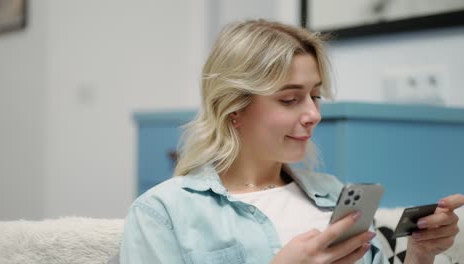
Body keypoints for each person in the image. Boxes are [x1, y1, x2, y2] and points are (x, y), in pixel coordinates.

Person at [120, 19, 463, 264]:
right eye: (289, 99)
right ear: (232, 109)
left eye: (315, 96)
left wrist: (421, 254)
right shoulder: (162, 213)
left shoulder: (335, 196)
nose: (313, 114)